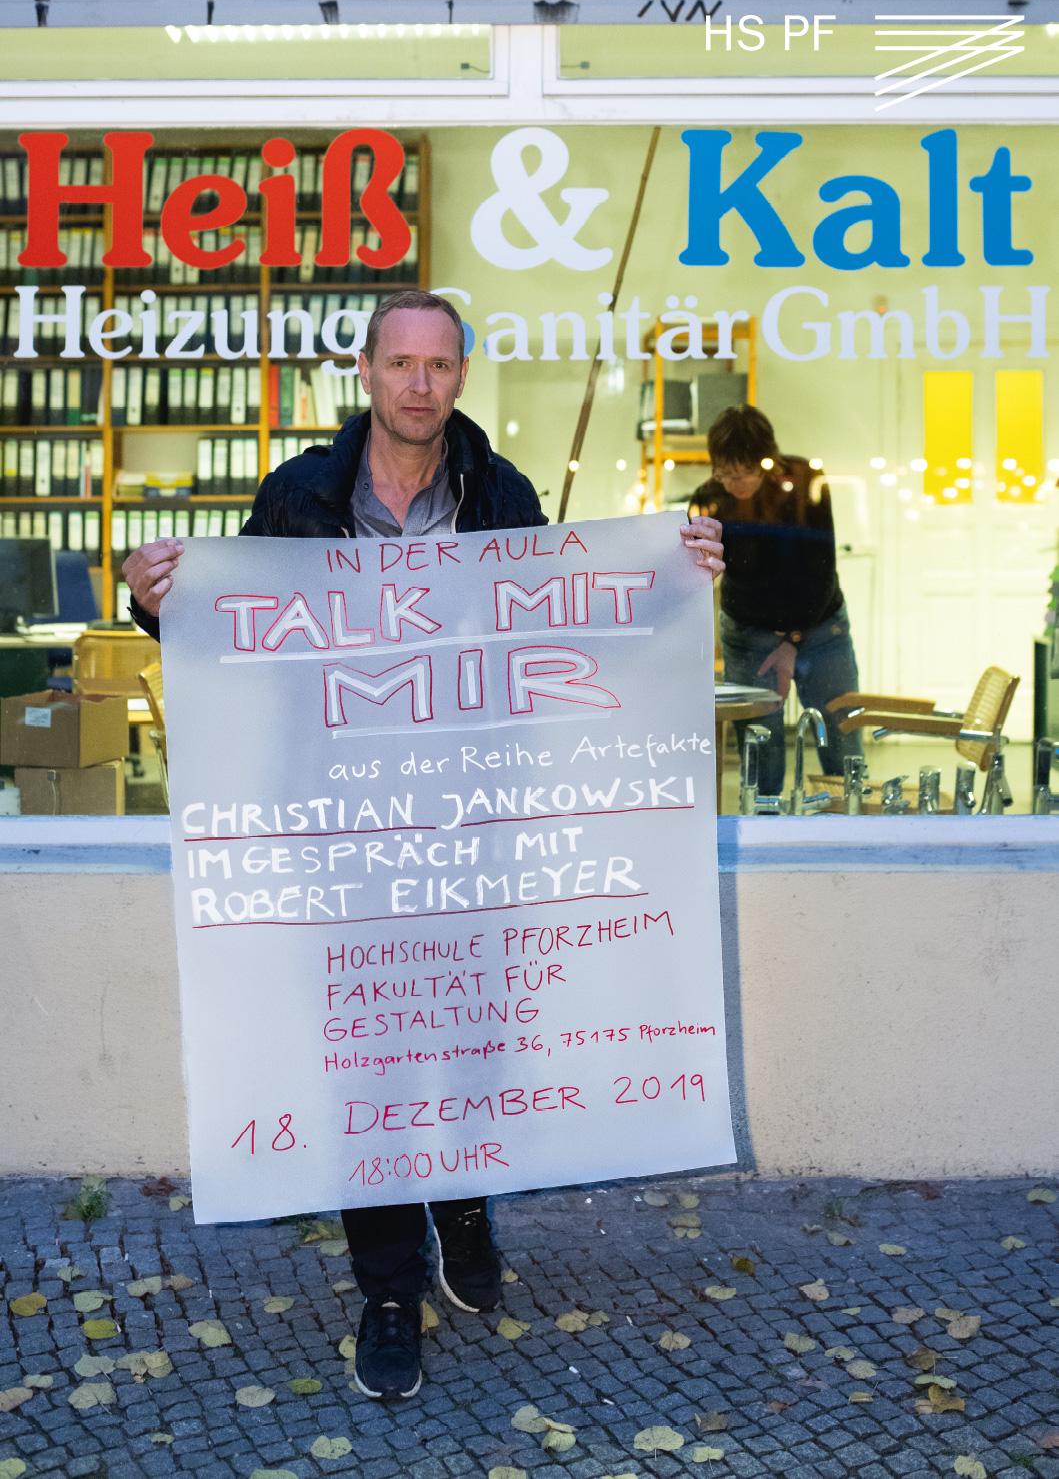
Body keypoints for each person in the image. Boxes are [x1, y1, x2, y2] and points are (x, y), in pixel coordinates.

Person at [123, 289, 724, 1402]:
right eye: (400, 362)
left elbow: (565, 621)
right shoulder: (299, 496)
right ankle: (390, 1289)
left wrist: (676, 571)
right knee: (376, 1049)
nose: (418, 383)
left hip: (477, 817)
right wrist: (156, 601)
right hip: (344, 819)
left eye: (438, 365)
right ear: (366, 370)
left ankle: (464, 1197)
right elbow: (235, 636)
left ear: (459, 377)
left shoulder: (502, 496)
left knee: (478, 1031)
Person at [689, 404, 861, 798]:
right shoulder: (708, 498)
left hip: (821, 628)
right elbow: (701, 574)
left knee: (842, 742)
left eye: (746, 472)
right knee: (759, 753)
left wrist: (792, 643)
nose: (736, 482)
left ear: (768, 460)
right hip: (749, 633)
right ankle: (762, 823)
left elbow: (821, 570)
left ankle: (849, 820)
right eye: (726, 472)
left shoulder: (804, 481)